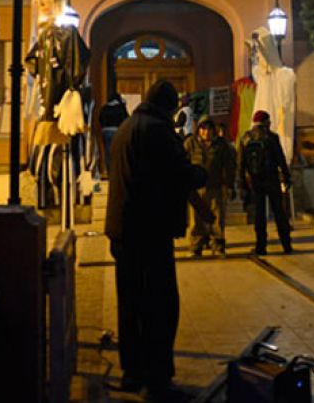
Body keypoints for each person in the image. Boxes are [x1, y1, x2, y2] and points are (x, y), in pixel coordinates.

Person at [106, 79, 206, 403]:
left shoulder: (128, 126)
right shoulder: (156, 130)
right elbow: (177, 171)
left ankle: (132, 373)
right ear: (169, 105)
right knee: (159, 307)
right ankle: (157, 381)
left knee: (131, 305)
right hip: (148, 231)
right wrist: (201, 174)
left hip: (124, 230)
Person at [239, 110, 293, 255]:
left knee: (259, 214)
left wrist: (242, 183)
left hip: (255, 181)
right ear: (266, 122)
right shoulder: (272, 138)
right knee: (279, 213)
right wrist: (286, 177)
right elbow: (280, 159)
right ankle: (286, 244)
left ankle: (261, 246)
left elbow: (241, 164)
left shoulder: (245, 138)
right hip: (272, 179)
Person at [183, 116, 236, 257]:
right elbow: (183, 163)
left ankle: (217, 245)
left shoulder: (221, 145)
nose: (206, 132)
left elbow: (229, 166)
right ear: (198, 130)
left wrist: (228, 185)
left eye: (209, 129)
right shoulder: (190, 144)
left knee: (217, 218)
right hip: (196, 189)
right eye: (203, 129)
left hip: (215, 187)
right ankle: (196, 245)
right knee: (196, 219)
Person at [250, 26, 296, 164]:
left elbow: (286, 100)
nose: (259, 57)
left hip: (277, 119)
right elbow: (257, 61)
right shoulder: (261, 76)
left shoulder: (283, 75)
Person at [98, 92, 129, 176]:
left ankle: (109, 170)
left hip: (105, 131)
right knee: (118, 153)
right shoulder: (120, 108)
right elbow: (126, 119)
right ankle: (118, 171)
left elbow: (100, 119)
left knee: (108, 152)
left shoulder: (104, 108)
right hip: (117, 131)